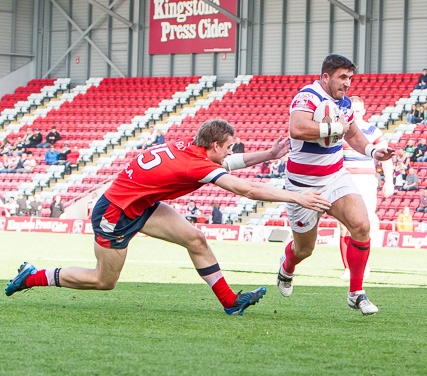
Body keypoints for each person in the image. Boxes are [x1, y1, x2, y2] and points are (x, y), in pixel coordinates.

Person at [5, 119, 331, 318]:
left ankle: (231, 302)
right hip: (116, 213)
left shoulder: (192, 150)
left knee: (195, 239)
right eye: (229, 146)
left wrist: (268, 155)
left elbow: (228, 164)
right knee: (104, 281)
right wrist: (298, 196)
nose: (233, 150)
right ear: (215, 145)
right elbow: (246, 190)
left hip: (140, 204)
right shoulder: (197, 164)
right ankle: (33, 276)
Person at [276, 54, 394, 315]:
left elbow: (352, 134)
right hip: (303, 185)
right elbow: (297, 128)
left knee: (362, 225)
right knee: (304, 249)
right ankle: (287, 267)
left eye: (350, 78)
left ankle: (356, 293)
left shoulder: (345, 103)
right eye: (342, 77)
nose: (347, 83)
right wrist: (334, 129)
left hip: (335, 176)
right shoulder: (307, 96)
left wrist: (373, 152)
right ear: (326, 77)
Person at [338, 95, 394, 280]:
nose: (356, 113)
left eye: (359, 110)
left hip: (367, 180)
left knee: (365, 223)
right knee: (344, 225)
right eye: (353, 110)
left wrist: (389, 180)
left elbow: (386, 156)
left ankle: (362, 266)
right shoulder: (340, 130)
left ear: (365, 111)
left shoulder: (373, 131)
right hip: (345, 179)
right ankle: (348, 268)